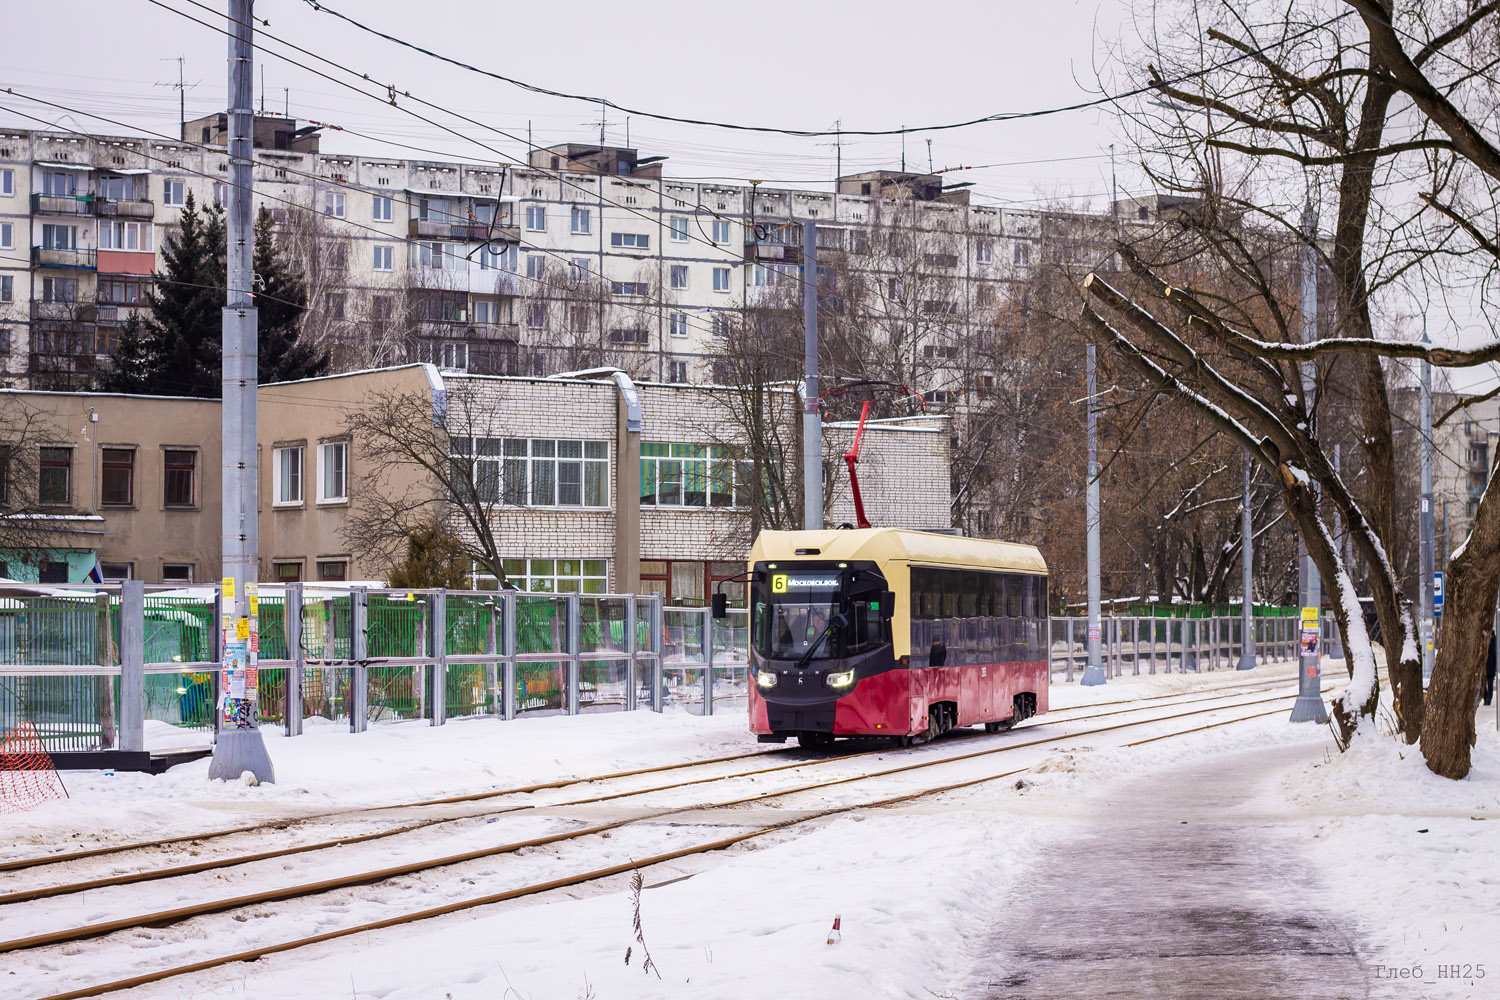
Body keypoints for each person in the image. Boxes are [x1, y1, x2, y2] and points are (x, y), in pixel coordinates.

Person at [1484, 632, 1496, 707]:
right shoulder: (1493, 643)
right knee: (1488, 684)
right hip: (1489, 667)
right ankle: (1487, 698)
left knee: (1488, 683)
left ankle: (1488, 698)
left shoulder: (1492, 643)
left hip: (1489, 666)